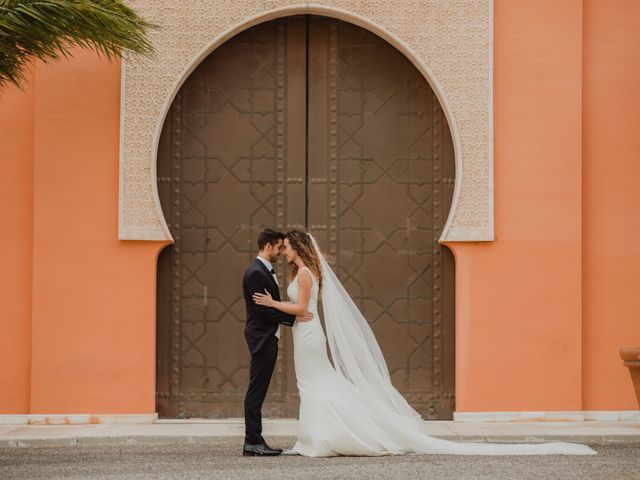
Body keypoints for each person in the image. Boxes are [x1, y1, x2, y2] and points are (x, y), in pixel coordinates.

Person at [252, 229, 596, 457]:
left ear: (298, 248)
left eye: (287, 247)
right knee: (310, 385)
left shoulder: (308, 274)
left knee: (316, 385)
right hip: (303, 334)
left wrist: (272, 305)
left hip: (309, 337)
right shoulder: (300, 274)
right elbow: (303, 312)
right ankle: (311, 438)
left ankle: (319, 439)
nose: (284, 252)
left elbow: (302, 309)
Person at [241, 229, 312, 456]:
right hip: (262, 338)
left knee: (257, 389)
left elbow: (269, 306)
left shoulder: (262, 271)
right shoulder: (255, 273)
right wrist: (294, 317)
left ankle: (254, 439)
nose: (282, 252)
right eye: (280, 247)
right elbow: (263, 311)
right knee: (256, 391)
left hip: (267, 336)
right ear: (268, 247)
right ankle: (253, 440)